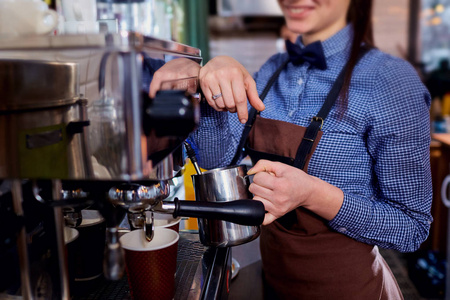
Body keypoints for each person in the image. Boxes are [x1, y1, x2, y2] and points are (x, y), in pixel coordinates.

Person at [149, 0, 433, 298]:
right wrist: (206, 80)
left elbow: (411, 228)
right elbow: (214, 157)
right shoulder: (273, 70)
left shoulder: (393, 82)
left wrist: (312, 193)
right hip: (275, 283)